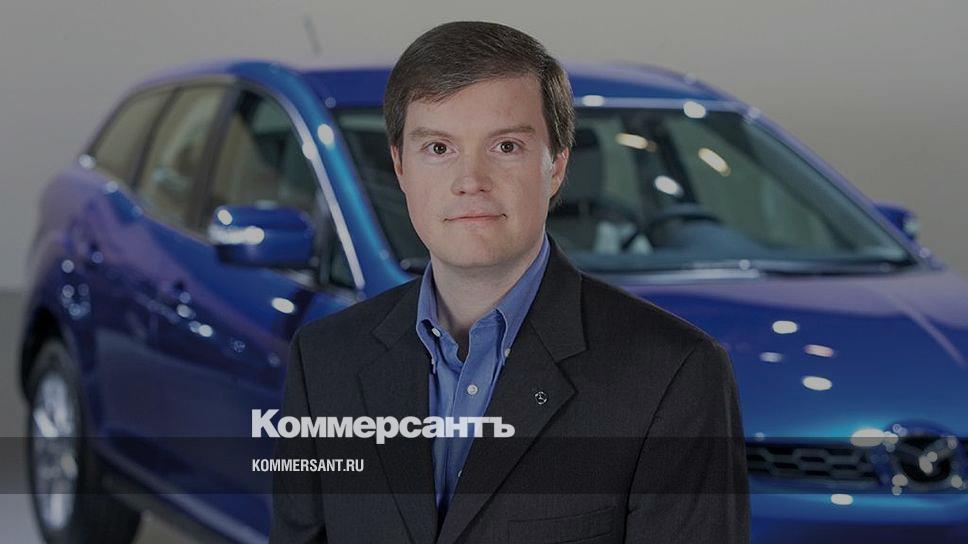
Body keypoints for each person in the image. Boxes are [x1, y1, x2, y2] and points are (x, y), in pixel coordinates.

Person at [271, 20, 749, 544]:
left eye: (506, 147)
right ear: (400, 167)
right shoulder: (325, 360)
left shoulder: (675, 374)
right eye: (438, 149)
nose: (470, 181)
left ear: (557, 166)